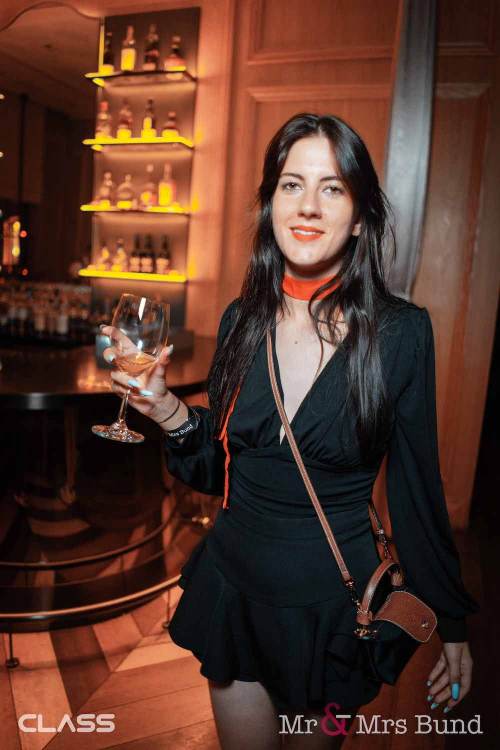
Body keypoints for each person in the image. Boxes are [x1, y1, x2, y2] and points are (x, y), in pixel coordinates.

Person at [103, 113, 480, 749]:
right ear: (270, 203)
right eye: (291, 185)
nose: (308, 206)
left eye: (332, 188)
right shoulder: (241, 321)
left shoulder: (400, 334)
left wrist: (454, 622)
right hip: (235, 594)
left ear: (359, 217)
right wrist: (165, 408)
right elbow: (219, 469)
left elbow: (417, 492)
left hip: (337, 616)